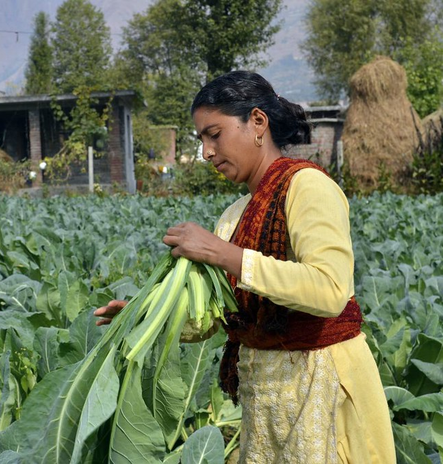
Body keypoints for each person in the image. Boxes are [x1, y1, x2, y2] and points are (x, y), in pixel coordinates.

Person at [94, 71, 395, 463]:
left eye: (214, 134)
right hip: (264, 399)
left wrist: (223, 253)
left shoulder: (308, 186)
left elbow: (329, 289)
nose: (206, 152)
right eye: (201, 139)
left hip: (321, 387)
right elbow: (219, 318)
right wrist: (144, 317)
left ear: (257, 122)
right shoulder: (234, 215)